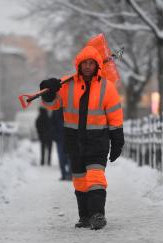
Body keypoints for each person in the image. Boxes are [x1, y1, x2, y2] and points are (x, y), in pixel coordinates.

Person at [39, 45, 124, 230]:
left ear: (97, 65)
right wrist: (49, 89)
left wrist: (117, 139)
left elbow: (115, 116)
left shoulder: (106, 88)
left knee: (95, 177)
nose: (87, 66)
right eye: (84, 63)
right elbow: (51, 104)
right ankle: (84, 216)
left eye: (91, 63)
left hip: (97, 140)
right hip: (74, 140)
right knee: (79, 180)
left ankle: (97, 215)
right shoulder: (66, 85)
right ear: (79, 64)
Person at [51, 107, 72, 181]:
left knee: (62, 156)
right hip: (68, 136)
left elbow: (52, 123)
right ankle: (69, 174)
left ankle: (65, 174)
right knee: (69, 156)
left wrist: (54, 135)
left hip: (61, 137)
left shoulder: (56, 109)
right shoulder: (70, 108)